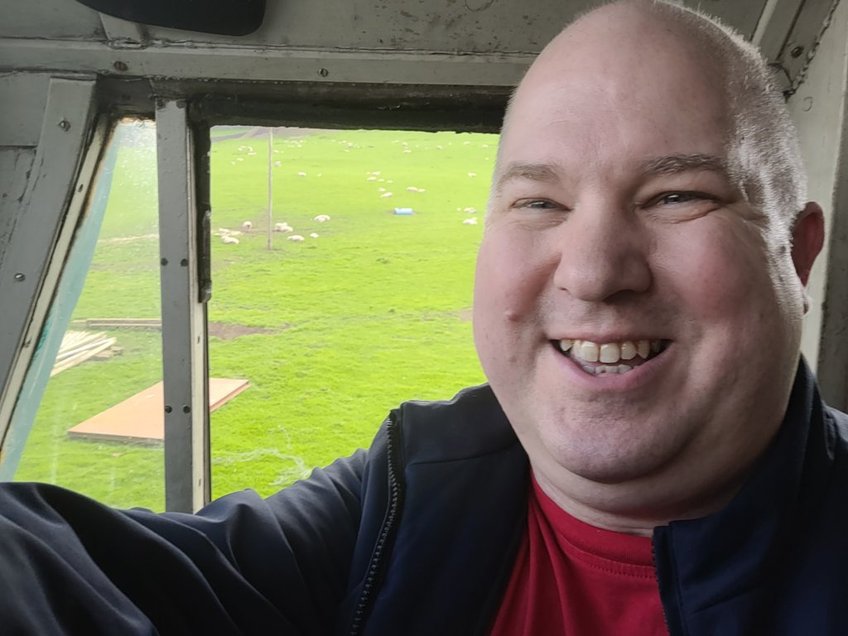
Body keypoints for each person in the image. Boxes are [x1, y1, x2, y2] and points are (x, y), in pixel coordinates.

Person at [0, 0, 844, 634]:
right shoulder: (407, 495)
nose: (592, 272)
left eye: (675, 195)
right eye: (540, 202)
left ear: (798, 257)